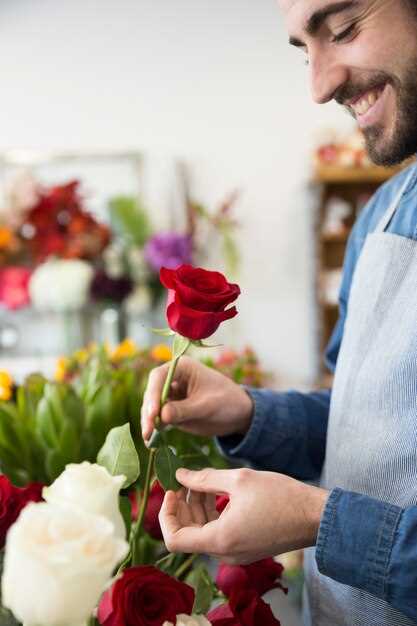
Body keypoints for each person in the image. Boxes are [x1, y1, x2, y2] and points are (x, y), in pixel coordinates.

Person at [141, 1, 417, 624]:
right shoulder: (381, 217)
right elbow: (373, 427)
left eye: (344, 30)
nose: (319, 86)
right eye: (304, 50)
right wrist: (245, 412)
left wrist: (319, 521)